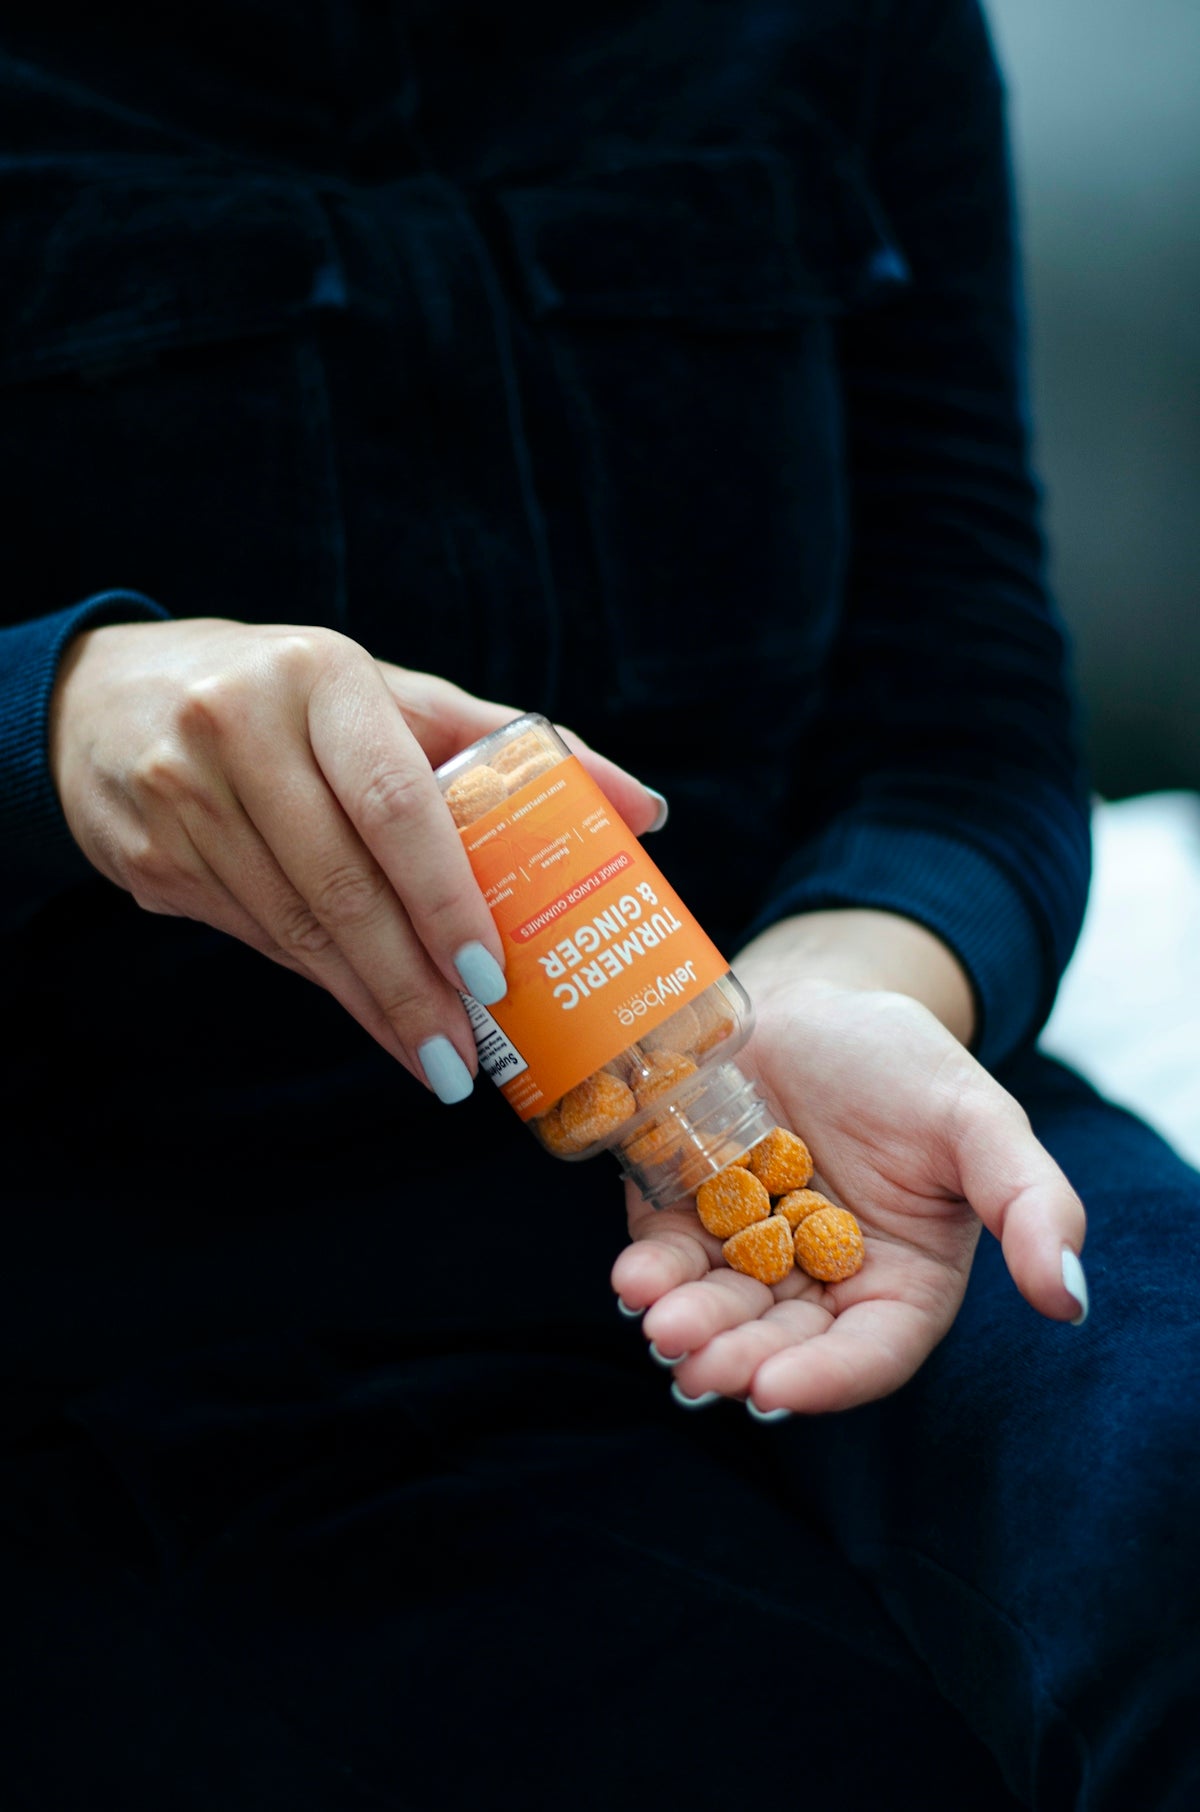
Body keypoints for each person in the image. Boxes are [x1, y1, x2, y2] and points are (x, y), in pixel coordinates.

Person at [2, 2, 1197, 1807]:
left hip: (833, 1111)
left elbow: (964, 713)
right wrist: (49, 718)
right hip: (208, 1321)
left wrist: (844, 978)